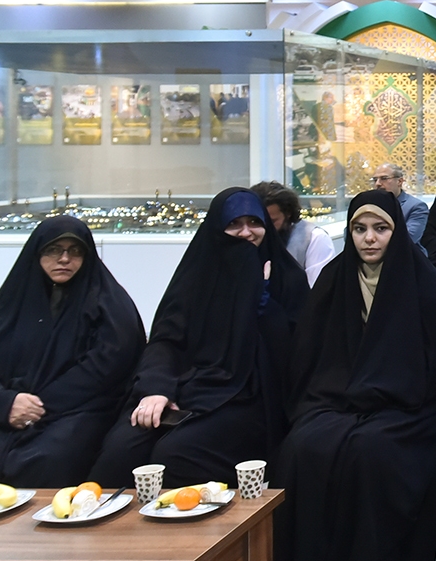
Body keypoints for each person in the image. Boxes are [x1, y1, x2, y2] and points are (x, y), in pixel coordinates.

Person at [273, 191, 436, 561]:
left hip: (406, 407)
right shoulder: (335, 278)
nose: (369, 238)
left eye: (380, 229)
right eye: (359, 229)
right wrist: (327, 400)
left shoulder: (421, 282)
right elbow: (310, 354)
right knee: (302, 449)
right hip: (334, 400)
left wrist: (400, 401)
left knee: (374, 453)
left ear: (396, 231)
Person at [88, 188, 309, 489]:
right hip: (185, 389)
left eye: (254, 222)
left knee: (176, 454)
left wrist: (262, 300)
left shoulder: (286, 278)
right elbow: (166, 340)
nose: (246, 232)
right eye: (234, 224)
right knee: (122, 451)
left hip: (249, 398)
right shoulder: (197, 277)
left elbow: (293, 353)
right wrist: (156, 389)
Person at [0, 216, 146, 487]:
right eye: (54, 250)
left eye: (75, 251)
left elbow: (108, 366)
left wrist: (40, 405)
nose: (64, 259)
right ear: (37, 253)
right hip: (11, 408)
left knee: (48, 458)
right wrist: (6, 403)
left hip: (80, 410)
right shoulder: (10, 304)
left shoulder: (108, 304)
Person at [252, 182, 334, 286]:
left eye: (271, 222)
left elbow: (319, 290)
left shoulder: (314, 238)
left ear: (288, 214)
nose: (264, 228)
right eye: (256, 222)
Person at [372, 163, 428, 244]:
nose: (377, 183)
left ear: (400, 181)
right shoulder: (369, 205)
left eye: (384, 178)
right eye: (375, 180)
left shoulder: (416, 207)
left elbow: (408, 238)